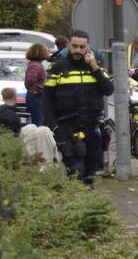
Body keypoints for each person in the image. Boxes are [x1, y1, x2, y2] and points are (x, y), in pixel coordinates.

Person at [43, 30, 114, 185]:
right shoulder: (58, 68)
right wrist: (54, 127)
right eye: (75, 46)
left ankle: (87, 203)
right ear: (68, 44)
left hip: (91, 127)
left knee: (90, 174)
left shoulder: (94, 68)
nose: (78, 50)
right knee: (75, 172)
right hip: (66, 127)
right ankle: (77, 201)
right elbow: (46, 100)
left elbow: (109, 90)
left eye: (82, 47)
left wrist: (94, 66)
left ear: (87, 47)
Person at [24, 42, 50, 126]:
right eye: (45, 51)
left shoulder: (34, 64)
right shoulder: (36, 66)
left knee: (39, 122)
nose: (47, 53)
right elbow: (30, 80)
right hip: (37, 98)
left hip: (37, 97)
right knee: (39, 123)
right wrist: (33, 90)